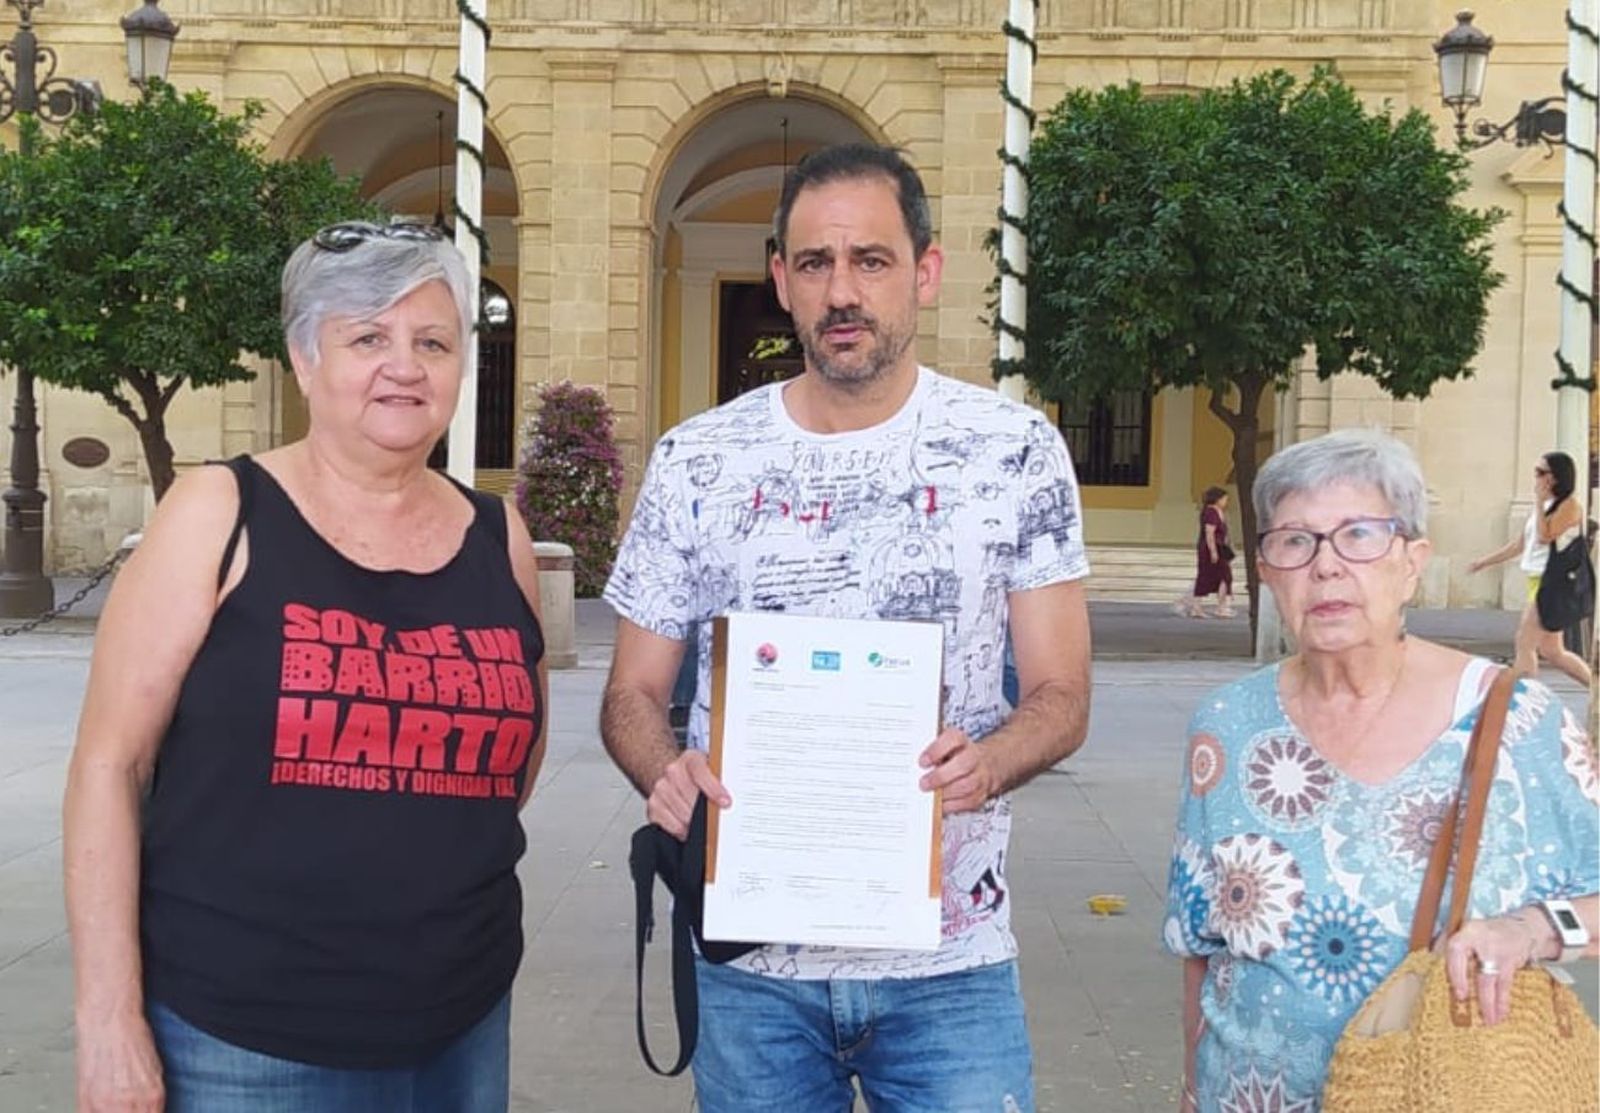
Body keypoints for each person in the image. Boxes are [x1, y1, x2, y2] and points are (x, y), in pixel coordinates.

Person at [600, 144, 1092, 1112]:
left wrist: (986, 764)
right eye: (814, 264)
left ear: (925, 270)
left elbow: (1063, 696)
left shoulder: (1014, 453)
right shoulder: (698, 462)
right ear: (780, 279)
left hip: (951, 964)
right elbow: (630, 696)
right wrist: (664, 769)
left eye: (870, 260)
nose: (842, 293)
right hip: (752, 972)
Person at [64, 221, 549, 1112]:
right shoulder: (219, 510)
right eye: (367, 337)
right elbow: (109, 765)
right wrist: (108, 1021)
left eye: (432, 342)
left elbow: (509, 765)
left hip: (461, 1024)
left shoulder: (498, 534)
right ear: (305, 356)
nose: (404, 365)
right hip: (244, 1039)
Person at [1162, 428, 1598, 1112]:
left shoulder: (1518, 720)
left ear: (1412, 561)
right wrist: (1190, 1092)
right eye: (1295, 541)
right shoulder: (1225, 725)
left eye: (1360, 535)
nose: (1326, 566)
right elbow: (1200, 943)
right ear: (1269, 571)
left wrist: (1532, 930)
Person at [1467, 450, 1593, 687]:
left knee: (1524, 643)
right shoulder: (1543, 507)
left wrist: (1537, 501)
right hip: (1537, 578)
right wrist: (1485, 562)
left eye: (1540, 472)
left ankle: (1526, 697)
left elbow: (1546, 536)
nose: (1535, 477)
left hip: (1552, 583)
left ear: (1554, 477)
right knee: (1553, 651)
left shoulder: (1569, 506)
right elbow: (1521, 544)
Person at [1175, 485, 1235, 618]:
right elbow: (1209, 533)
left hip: (1220, 548)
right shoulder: (1211, 512)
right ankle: (1199, 607)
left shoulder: (1219, 512)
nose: (1226, 502)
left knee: (1225, 577)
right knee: (1207, 576)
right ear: (1217, 499)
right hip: (1210, 548)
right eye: (1224, 499)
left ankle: (1221, 606)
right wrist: (1213, 551)